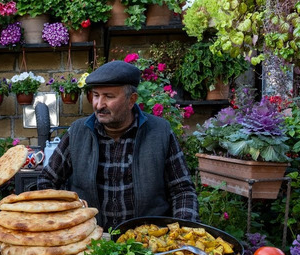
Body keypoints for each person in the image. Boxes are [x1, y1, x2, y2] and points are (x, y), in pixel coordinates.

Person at [37, 61, 198, 230]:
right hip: (91, 241)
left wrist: (184, 235)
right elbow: (48, 181)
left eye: (109, 96)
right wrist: (62, 223)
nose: (99, 105)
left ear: (131, 100)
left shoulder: (160, 132)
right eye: (96, 95)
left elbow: (183, 191)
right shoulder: (78, 132)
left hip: (148, 244)